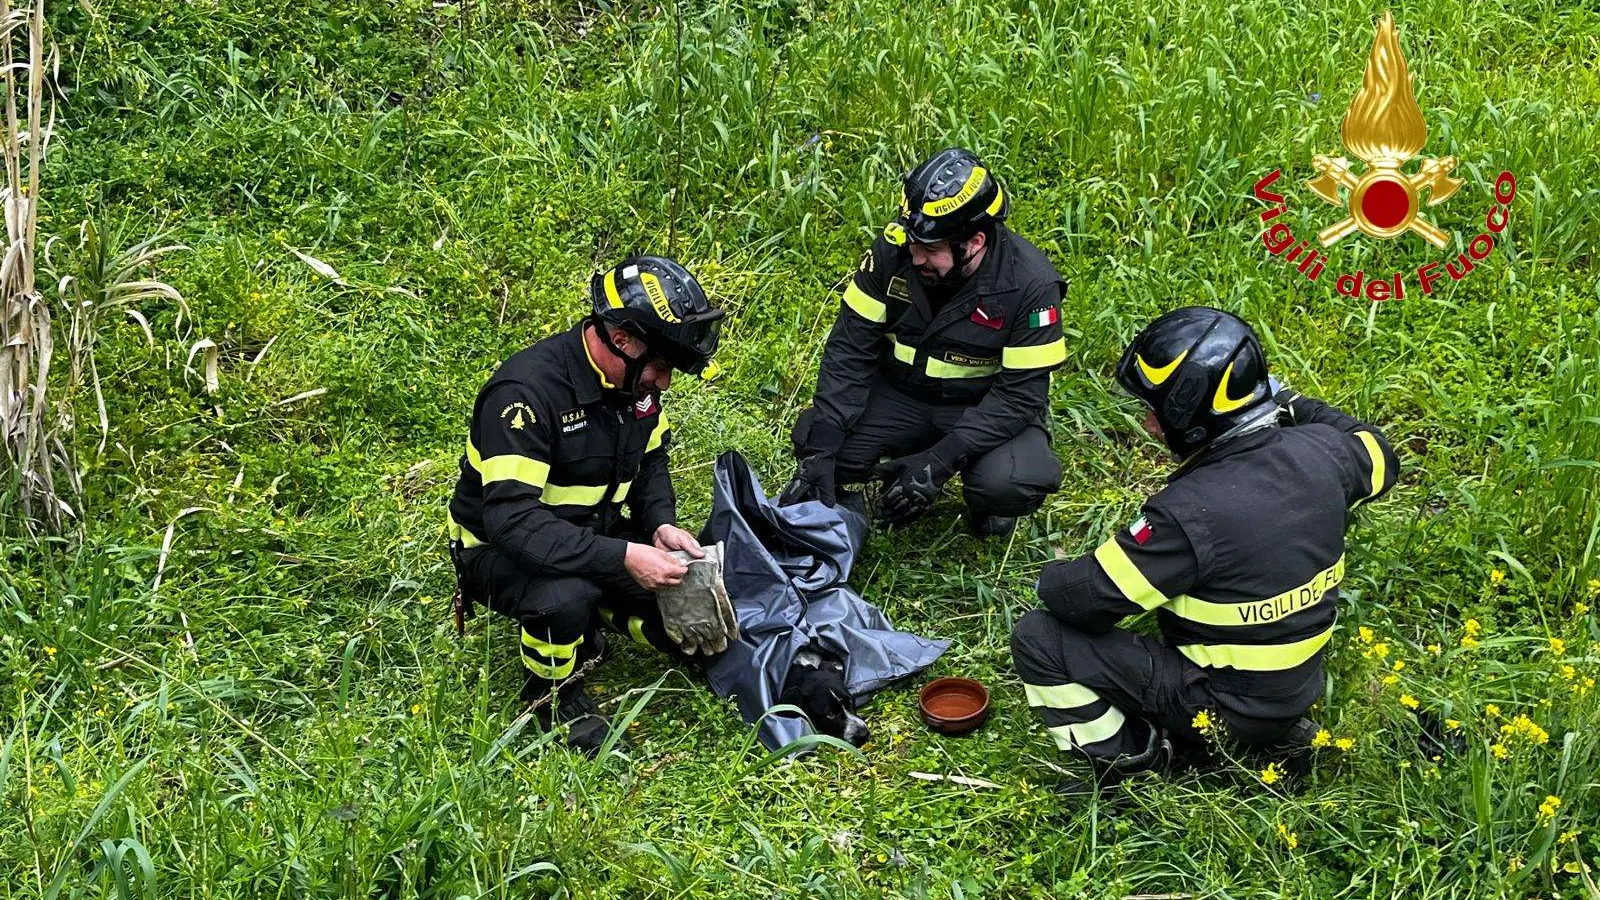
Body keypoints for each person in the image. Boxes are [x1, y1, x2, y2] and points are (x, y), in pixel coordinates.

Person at [1010, 306, 1399, 794]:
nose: (1149, 424)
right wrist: (1283, 397)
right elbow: (1377, 446)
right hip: (1298, 688)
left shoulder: (1188, 513)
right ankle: (1271, 734)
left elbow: (1086, 599)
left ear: (1190, 418)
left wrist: (1048, 576)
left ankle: (1130, 759)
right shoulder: (1329, 452)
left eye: (1155, 410)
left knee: (1037, 636)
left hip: (1220, 707)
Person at [447, 255, 726, 754]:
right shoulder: (525, 395)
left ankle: (600, 622)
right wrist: (621, 557)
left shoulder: (631, 384)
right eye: (660, 366)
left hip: (590, 530)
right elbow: (511, 520)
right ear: (622, 339)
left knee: (681, 589)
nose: (662, 382)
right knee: (566, 596)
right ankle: (552, 693)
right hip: (497, 547)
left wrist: (659, 525)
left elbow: (652, 461)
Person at [780, 147, 1066, 537]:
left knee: (1010, 481)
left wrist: (940, 462)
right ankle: (857, 490)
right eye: (914, 243)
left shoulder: (1032, 286)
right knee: (818, 437)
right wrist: (822, 448)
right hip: (901, 394)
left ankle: (986, 501)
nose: (915, 258)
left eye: (931, 250)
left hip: (982, 405)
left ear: (975, 242)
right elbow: (850, 348)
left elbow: (1019, 397)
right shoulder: (892, 253)